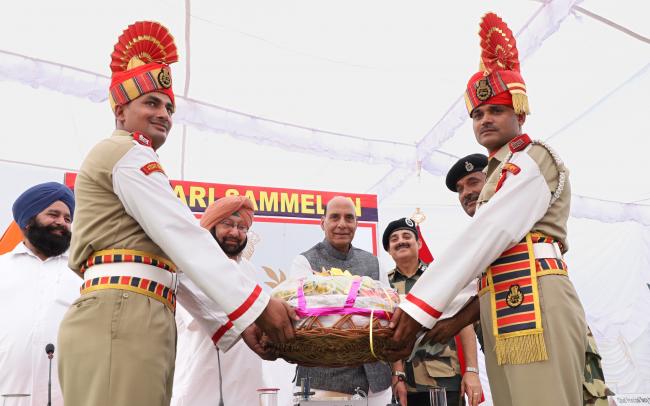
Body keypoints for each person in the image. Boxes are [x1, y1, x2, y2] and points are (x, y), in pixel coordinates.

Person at [57, 21, 294, 406]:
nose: (164, 114)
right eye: (151, 103)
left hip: (136, 310)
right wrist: (258, 307)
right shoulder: (126, 152)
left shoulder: (133, 159)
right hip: (122, 311)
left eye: (169, 107)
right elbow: (184, 237)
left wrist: (235, 324)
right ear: (121, 111)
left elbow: (174, 265)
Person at [390, 12, 588, 405]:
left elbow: (488, 234)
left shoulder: (534, 157)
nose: (485, 120)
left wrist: (418, 308)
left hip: (539, 297)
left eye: (496, 110)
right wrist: (443, 318)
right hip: (503, 303)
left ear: (519, 113)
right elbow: (481, 265)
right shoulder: (497, 175)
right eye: (477, 114)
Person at [428, 153, 612, 406]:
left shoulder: (510, 218)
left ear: (494, 182)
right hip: (510, 343)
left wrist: (444, 320)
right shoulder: (484, 236)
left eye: (473, 182)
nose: (466, 193)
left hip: (540, 330)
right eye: (460, 189)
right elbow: (478, 293)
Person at [172, 196, 294, 406]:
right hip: (200, 391)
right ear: (210, 226)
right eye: (227, 224)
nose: (235, 233)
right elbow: (211, 316)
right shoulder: (191, 268)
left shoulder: (249, 271)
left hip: (247, 390)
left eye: (242, 227)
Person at [290, 196, 392, 406]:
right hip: (323, 383)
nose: (342, 224)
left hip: (376, 384)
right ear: (323, 222)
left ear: (357, 223)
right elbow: (302, 319)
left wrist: (397, 372)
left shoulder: (373, 263)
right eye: (335, 217)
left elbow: (388, 313)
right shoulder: (305, 262)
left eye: (349, 218)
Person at [383, 217, 482, 406]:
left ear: (419, 243)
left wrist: (471, 371)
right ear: (388, 249)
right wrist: (397, 373)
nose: (401, 241)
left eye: (407, 236)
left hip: (444, 379)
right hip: (402, 384)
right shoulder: (384, 286)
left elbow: (464, 323)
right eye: (394, 239)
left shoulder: (440, 277)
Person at [0, 182, 79, 406]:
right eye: (53, 214)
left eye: (67, 218)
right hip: (8, 393)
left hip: (68, 396)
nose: (62, 222)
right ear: (27, 221)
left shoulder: (83, 273)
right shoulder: (2, 268)